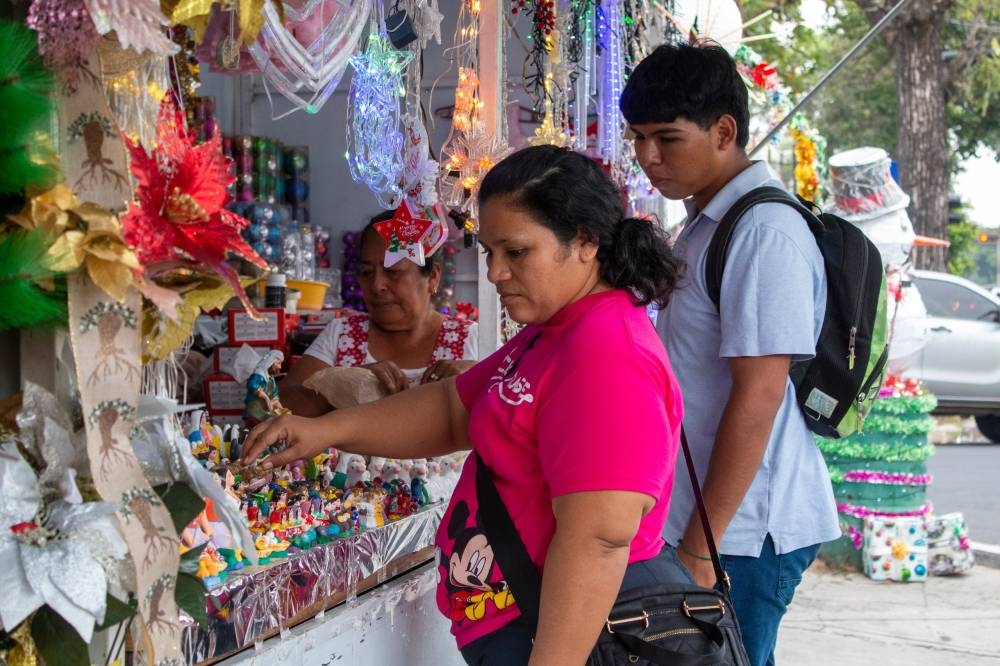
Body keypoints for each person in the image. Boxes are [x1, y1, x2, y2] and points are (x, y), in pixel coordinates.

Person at [240, 145, 686, 664]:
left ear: (585, 242)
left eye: (515, 252)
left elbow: (599, 541)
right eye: (488, 250)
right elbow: (454, 409)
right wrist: (326, 429)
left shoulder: (607, 353)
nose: (495, 272)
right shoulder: (557, 331)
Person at [620, 42, 840, 666]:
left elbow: (759, 395)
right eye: (637, 137)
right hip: (708, 521)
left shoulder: (764, 232)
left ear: (724, 131)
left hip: (744, 534)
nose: (648, 156)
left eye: (666, 137)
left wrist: (700, 548)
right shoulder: (704, 221)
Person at [280, 210, 478, 416]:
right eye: (366, 272)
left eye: (393, 272)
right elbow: (275, 407)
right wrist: (341, 385)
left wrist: (478, 379)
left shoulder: (471, 340)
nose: (376, 285)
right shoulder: (342, 335)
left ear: (433, 277)